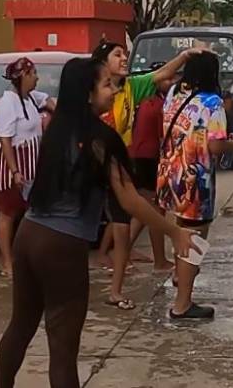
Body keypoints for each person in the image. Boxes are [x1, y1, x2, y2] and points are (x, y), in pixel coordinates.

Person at [0, 57, 193, 388]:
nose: (114, 91)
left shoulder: (56, 129)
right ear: (87, 93)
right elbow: (129, 199)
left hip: (28, 235)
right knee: (62, 349)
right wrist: (175, 231)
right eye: (107, 84)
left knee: (20, 326)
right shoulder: (100, 139)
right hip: (61, 246)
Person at [92, 41, 195, 312]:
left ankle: (115, 290)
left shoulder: (130, 87)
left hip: (117, 164)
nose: (124, 58)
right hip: (94, 166)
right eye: (117, 55)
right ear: (102, 62)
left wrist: (184, 55)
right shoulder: (89, 91)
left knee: (123, 226)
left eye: (125, 54)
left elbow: (161, 75)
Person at [158, 51, 233, 320]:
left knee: (181, 229)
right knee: (194, 238)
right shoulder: (212, 102)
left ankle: (178, 275)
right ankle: (182, 304)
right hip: (196, 181)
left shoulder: (173, 94)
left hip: (169, 173)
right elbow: (215, 146)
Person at [0, 57, 54, 277]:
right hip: (15, 165)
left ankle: (30, 259)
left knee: (32, 213)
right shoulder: (7, 104)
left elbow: (47, 100)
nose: (37, 78)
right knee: (8, 213)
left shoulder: (31, 98)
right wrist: (15, 171)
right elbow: (5, 141)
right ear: (23, 76)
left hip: (32, 164)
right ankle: (7, 263)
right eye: (33, 73)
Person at [128, 63, 174, 272]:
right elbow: (163, 136)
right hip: (149, 158)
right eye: (166, 79)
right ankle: (159, 260)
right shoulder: (155, 104)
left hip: (140, 156)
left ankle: (122, 251)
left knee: (145, 208)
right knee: (154, 209)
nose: (170, 82)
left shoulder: (145, 102)